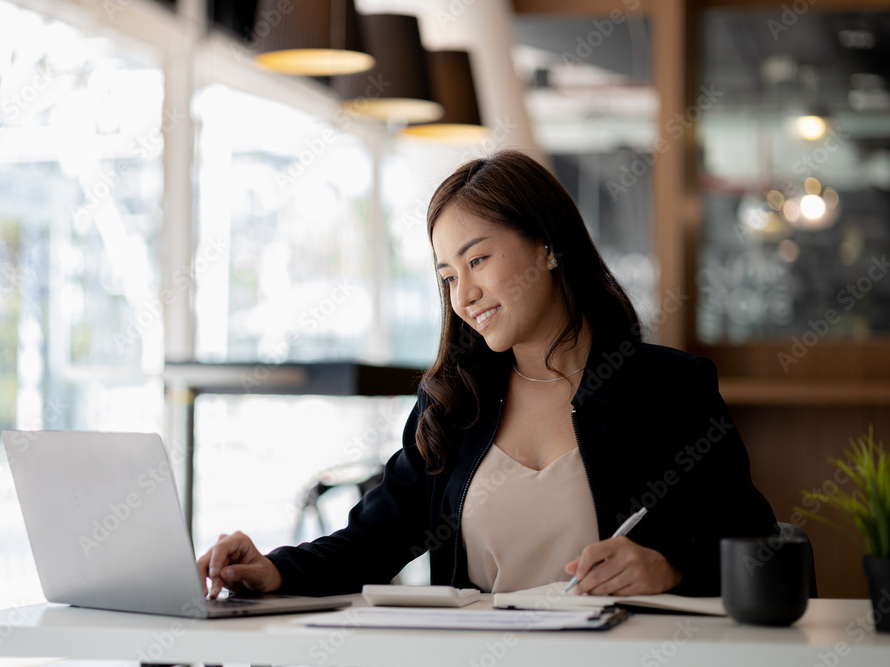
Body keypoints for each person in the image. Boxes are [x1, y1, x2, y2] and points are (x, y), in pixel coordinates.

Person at [197, 149, 777, 599]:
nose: (464, 295)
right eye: (448, 276)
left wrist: (668, 564)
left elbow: (756, 544)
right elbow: (371, 542)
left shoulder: (669, 390)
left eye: (478, 260)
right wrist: (273, 568)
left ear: (549, 247)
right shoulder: (452, 405)